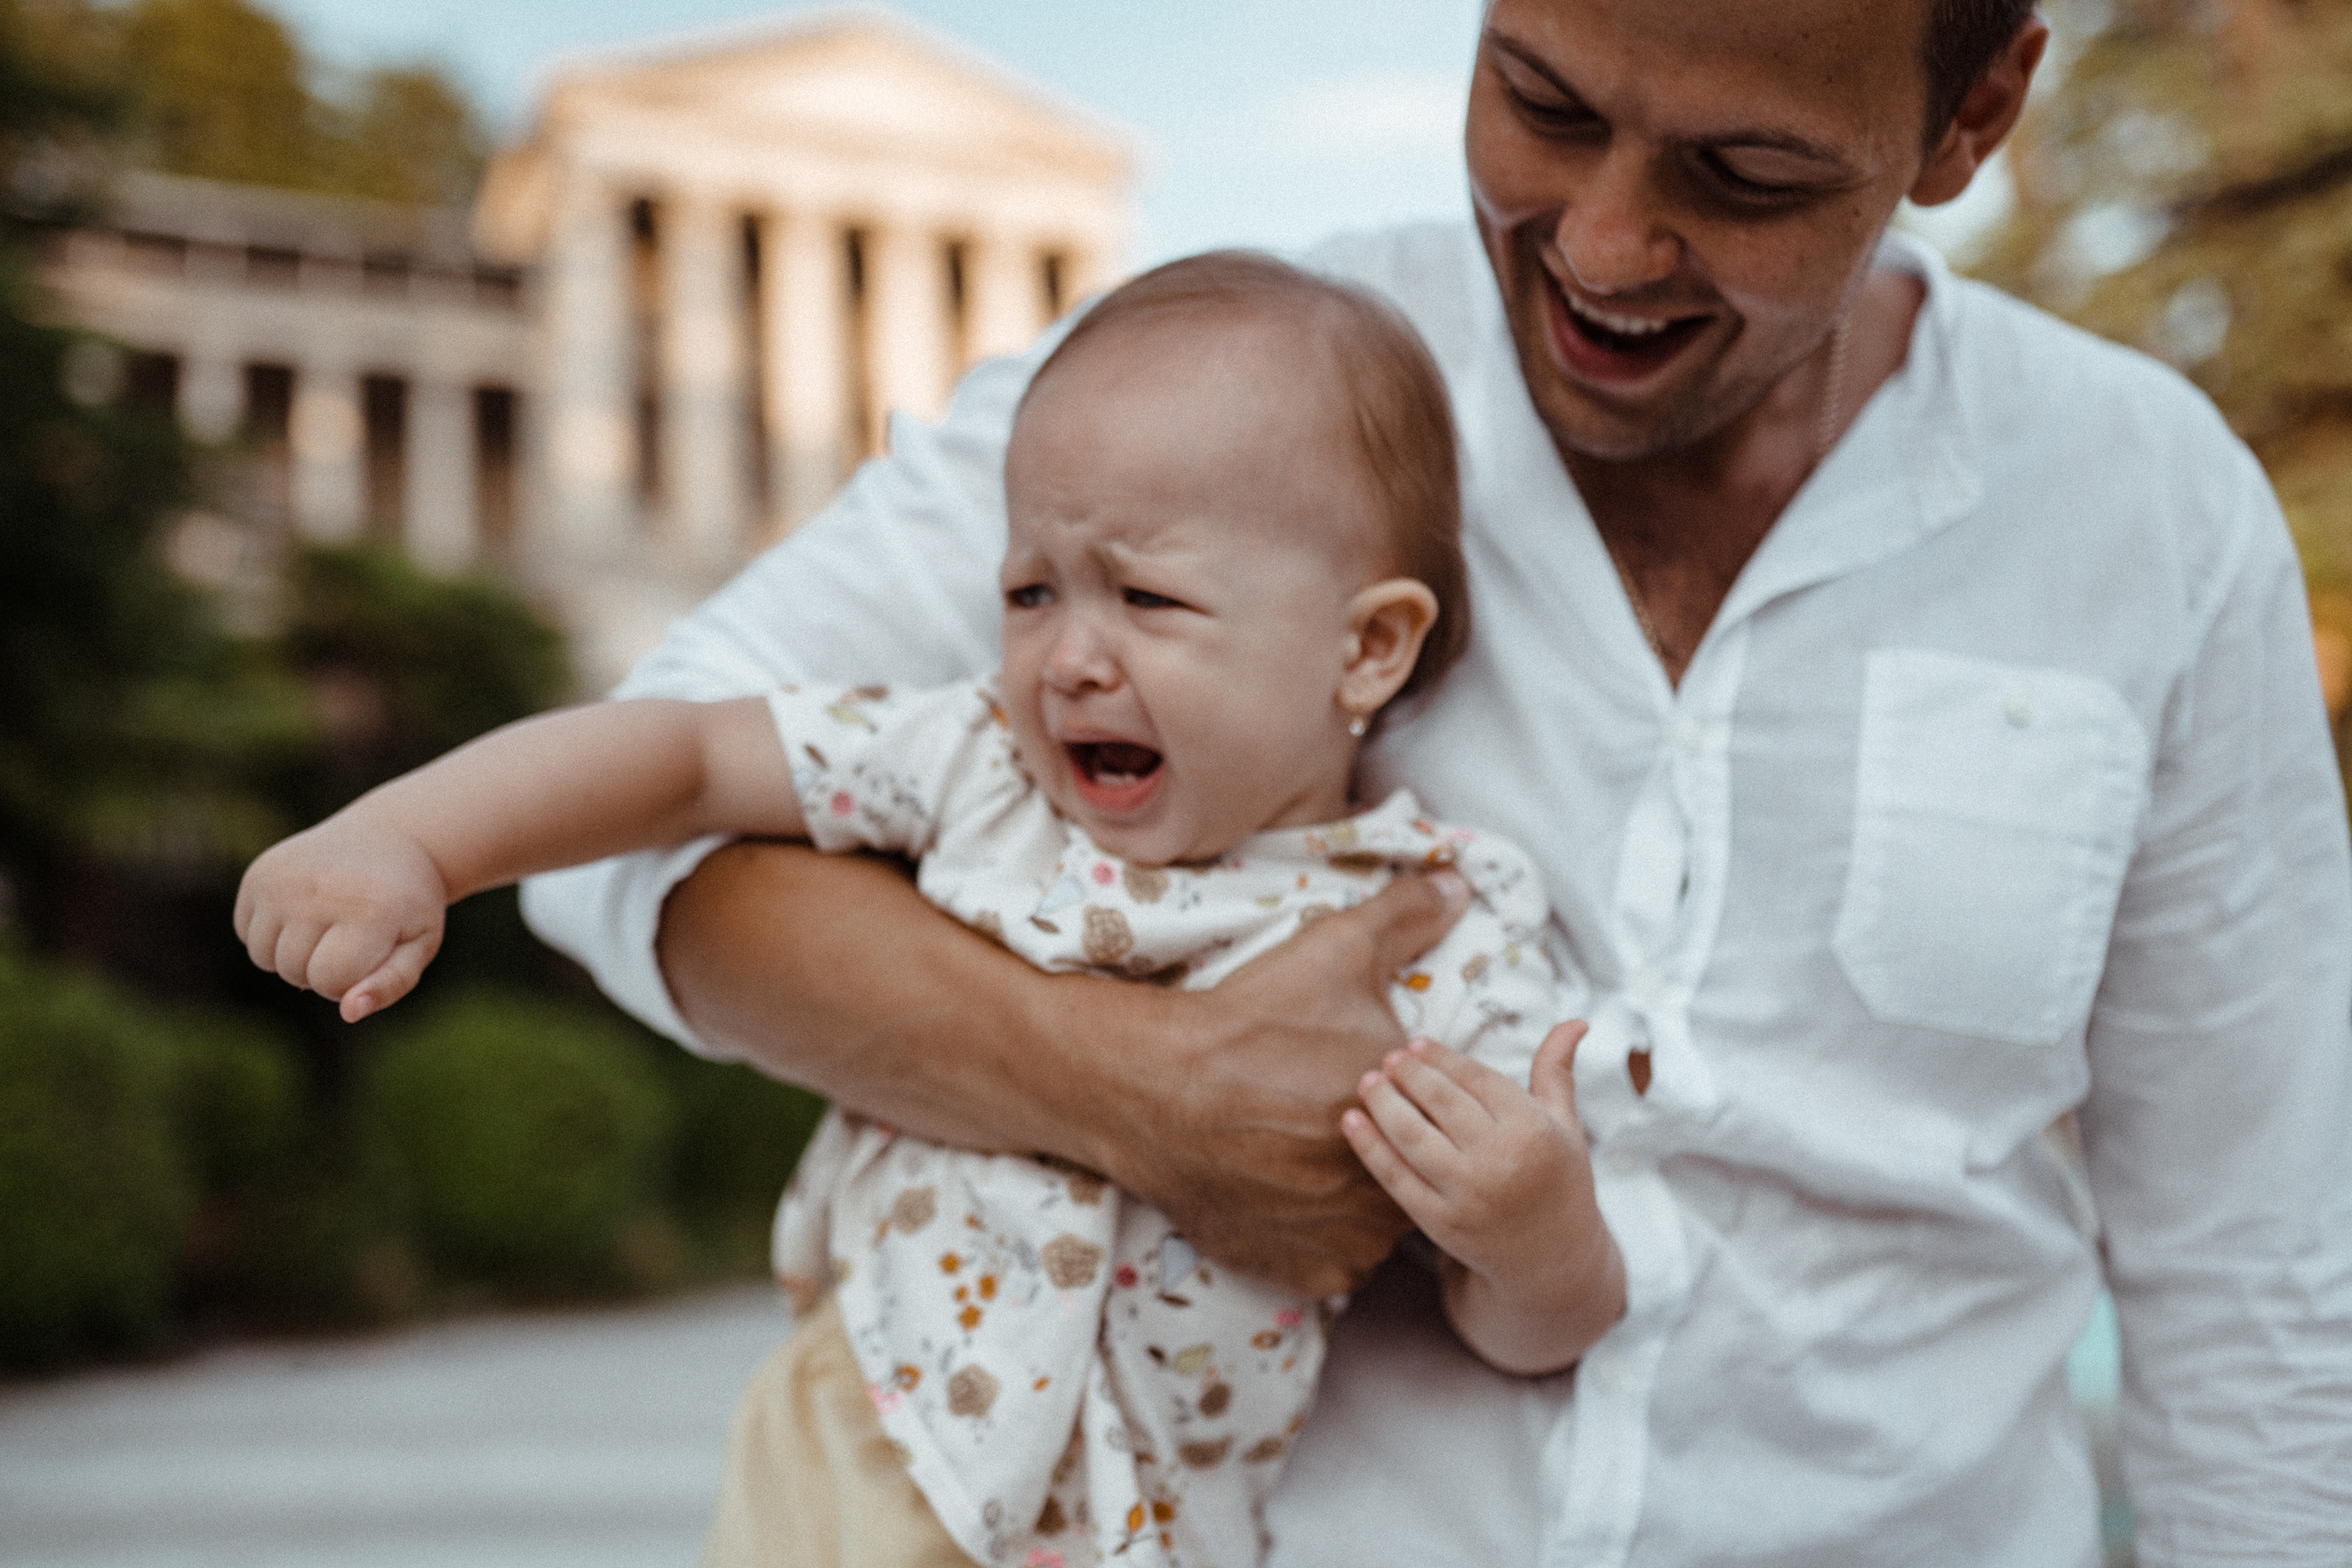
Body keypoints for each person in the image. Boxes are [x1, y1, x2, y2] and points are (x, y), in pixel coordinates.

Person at [525, 0, 2352, 1562]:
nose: (1604, 244)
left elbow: (2255, 1280)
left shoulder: (2151, 512)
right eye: (1540, 102)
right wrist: (1138, 1089)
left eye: (1745, 177)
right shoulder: (1211, 392)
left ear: (1971, 115)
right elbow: (623, 827)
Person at [235, 254, 1622, 1568]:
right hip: (862, 1441)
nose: (1070, 657)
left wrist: (1537, 1235)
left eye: (1148, 596)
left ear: (1367, 645)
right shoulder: (975, 764)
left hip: (1152, 1529)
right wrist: (410, 840)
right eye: (1030, 591)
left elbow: (1519, 1330)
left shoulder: (1437, 921)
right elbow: (686, 755)